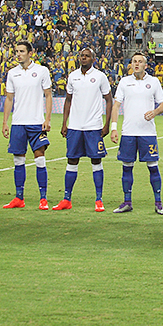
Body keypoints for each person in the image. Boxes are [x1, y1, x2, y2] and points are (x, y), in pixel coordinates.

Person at [53, 48, 113, 212]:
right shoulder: (73, 76)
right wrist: (64, 123)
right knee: (72, 160)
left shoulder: (100, 76)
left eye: (87, 56)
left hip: (93, 127)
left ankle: (99, 200)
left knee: (96, 161)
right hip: (75, 127)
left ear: (93, 59)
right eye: (82, 56)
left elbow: (109, 100)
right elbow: (68, 100)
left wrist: (106, 124)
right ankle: (66, 199)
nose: (84, 58)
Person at [110, 51, 163, 214]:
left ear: (145, 65)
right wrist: (114, 128)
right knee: (127, 167)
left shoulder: (154, 82)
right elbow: (116, 106)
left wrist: (154, 112)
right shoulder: (124, 82)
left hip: (147, 133)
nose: (136, 64)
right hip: (128, 132)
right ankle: (127, 202)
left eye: (139, 61)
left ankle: (158, 203)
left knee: (153, 167)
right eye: (134, 61)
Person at [1, 41, 53, 210]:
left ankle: (43, 198)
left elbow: (48, 95)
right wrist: (5, 122)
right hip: (18, 123)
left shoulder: (41, 71)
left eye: (22, 51)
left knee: (40, 159)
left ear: (31, 53)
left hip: (36, 123)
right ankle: (19, 197)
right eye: (16, 51)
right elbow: (9, 98)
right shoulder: (12, 73)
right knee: (18, 160)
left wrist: (47, 119)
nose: (18, 54)